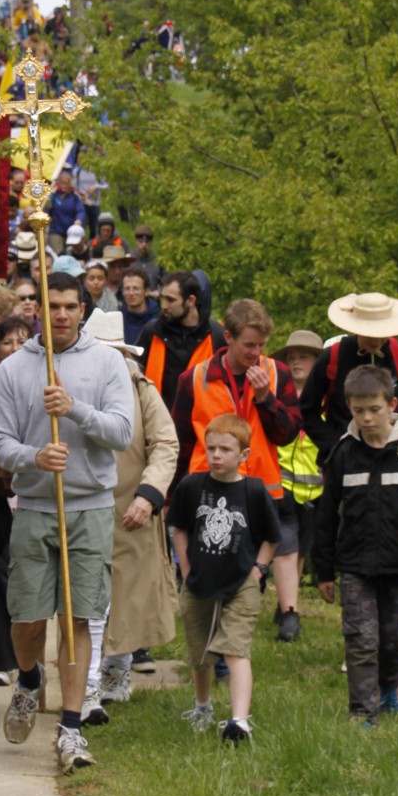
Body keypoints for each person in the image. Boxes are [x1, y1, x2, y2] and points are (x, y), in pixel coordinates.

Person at [0, 272, 134, 773]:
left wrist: (75, 411)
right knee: (27, 620)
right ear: (38, 310)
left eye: (71, 306)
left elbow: (121, 431)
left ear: (83, 309)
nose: (62, 315)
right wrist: (34, 457)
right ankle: (29, 679)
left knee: (77, 620)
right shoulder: (12, 370)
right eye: (53, 306)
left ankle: (70, 729)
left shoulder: (106, 362)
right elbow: (0, 443)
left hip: (89, 505)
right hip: (34, 507)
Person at [313, 366, 398, 725]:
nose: (367, 418)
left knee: (392, 641)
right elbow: (327, 515)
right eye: (359, 411)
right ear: (348, 407)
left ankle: (391, 688)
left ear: (392, 404)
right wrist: (324, 571)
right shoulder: (343, 454)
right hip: (355, 564)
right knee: (361, 638)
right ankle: (363, 714)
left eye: (375, 409)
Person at [170, 299, 301, 626]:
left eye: (261, 345)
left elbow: (287, 433)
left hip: (258, 490)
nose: (256, 352)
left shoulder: (276, 374)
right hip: (208, 488)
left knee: (247, 568)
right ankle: (210, 636)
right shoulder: (194, 378)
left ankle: (235, 640)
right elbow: (181, 441)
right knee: (211, 564)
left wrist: (265, 399)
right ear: (227, 336)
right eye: (248, 344)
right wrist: (173, 493)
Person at [77, 310, 179, 725]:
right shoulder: (72, 383)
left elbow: (166, 443)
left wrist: (149, 495)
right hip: (82, 505)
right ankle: (84, 686)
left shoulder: (141, 388)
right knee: (88, 599)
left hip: (130, 511)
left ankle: (116, 673)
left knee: (128, 599)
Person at [168, 414, 281, 744]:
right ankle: (202, 706)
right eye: (211, 447)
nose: (216, 455)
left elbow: (272, 537)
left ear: (244, 455)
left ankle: (239, 720)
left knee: (235, 648)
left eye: (226, 449)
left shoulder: (254, 491)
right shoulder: (192, 485)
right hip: (199, 581)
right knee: (199, 651)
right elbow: (179, 529)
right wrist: (186, 571)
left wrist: (259, 569)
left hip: (241, 582)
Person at [299, 292, 398, 464]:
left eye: (382, 333)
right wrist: (334, 444)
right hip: (343, 462)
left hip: (391, 455)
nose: (376, 341)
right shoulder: (332, 356)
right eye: (369, 334)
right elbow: (306, 409)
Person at [0, 315, 33, 688]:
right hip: (0, 493)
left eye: (22, 341)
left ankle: (26, 656)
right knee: (0, 573)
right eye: (7, 342)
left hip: (33, 491)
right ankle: (3, 658)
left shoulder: (40, 378)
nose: (14, 349)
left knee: (25, 578)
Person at [270, 329, 326, 642]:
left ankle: (286, 603)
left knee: (300, 549)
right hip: (281, 483)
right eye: (290, 357)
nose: (295, 361)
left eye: (302, 356)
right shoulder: (279, 394)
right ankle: (290, 616)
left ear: (318, 362)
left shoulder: (329, 400)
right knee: (285, 547)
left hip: (316, 487)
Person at [137, 270, 226, 410]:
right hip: (159, 424)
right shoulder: (152, 332)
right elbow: (135, 378)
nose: (164, 306)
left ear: (191, 301)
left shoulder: (217, 335)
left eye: (171, 300)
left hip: (202, 425)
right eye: (163, 298)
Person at [45, 171, 86, 253]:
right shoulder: (54, 195)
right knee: (58, 253)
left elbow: (80, 211)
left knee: (69, 252)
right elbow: (47, 210)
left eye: (67, 183)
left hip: (70, 231)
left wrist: (79, 220)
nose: (64, 186)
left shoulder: (74, 196)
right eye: (62, 183)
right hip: (56, 231)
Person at [119, 265, 159, 347]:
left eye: (136, 289)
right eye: (127, 289)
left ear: (146, 291)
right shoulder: (117, 318)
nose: (131, 293)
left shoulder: (158, 320)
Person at [131, 224, 163, 291]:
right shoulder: (129, 260)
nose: (144, 245)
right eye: (141, 242)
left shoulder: (158, 261)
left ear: (151, 243)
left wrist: (159, 292)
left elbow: (166, 282)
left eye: (147, 242)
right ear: (136, 242)